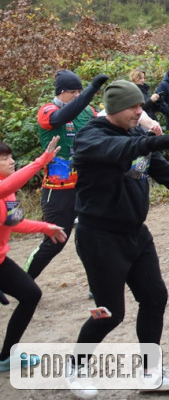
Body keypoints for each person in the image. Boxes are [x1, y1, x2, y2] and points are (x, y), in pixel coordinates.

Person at [72, 80, 169, 395]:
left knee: (155, 297)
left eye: (141, 106)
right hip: (99, 236)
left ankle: (150, 372)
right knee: (108, 312)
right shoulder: (90, 137)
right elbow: (115, 150)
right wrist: (148, 142)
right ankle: (75, 367)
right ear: (116, 108)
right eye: (134, 107)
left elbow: (166, 174)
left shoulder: (135, 135)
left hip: (135, 232)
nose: (139, 111)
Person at [24, 70, 106, 280]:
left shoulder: (88, 111)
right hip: (58, 190)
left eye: (80, 91)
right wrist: (91, 90)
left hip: (86, 186)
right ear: (60, 93)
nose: (78, 95)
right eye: (73, 91)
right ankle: (21, 281)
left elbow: (109, 122)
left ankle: (97, 284)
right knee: (55, 242)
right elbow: (64, 115)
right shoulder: (47, 110)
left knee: (93, 237)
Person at [0, 137, 67, 373]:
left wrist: (45, 227)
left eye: (11, 157)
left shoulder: (8, 191)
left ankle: (6, 356)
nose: (12, 161)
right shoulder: (4, 188)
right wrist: (42, 161)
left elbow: (14, 221)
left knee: (31, 294)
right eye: (5, 159)